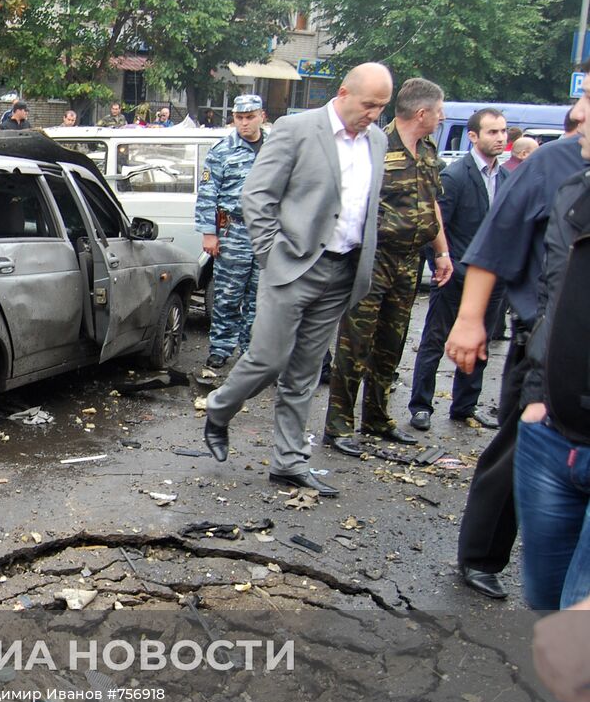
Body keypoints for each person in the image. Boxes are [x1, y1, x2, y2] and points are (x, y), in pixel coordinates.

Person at [203, 63, 394, 497]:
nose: (374, 115)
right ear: (343, 92)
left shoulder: (377, 140)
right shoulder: (297, 128)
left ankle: (289, 462)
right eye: (369, 105)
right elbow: (257, 194)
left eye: (382, 107)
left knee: (306, 371)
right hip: (292, 265)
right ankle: (219, 408)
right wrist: (272, 253)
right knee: (268, 359)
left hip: (344, 270)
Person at [444, 76, 590, 600]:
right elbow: (496, 241)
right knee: (519, 447)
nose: (576, 111)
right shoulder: (555, 165)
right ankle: (481, 554)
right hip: (548, 352)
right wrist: (470, 319)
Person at [506, 100, 590, 702]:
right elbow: (559, 299)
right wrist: (536, 393)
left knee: (579, 630)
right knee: (548, 600)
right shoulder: (570, 188)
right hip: (554, 433)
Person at [323, 77, 454, 456]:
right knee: (355, 342)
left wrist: (441, 252)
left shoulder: (428, 151)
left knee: (391, 344)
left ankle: (377, 418)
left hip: (410, 261)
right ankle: (339, 425)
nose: (442, 118)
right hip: (373, 259)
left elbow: (432, 206)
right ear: (422, 113)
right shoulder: (376, 145)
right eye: (440, 111)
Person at [407, 108, 508, 432]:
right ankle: (421, 406)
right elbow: (434, 226)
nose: (501, 138)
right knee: (435, 341)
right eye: (492, 132)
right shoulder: (456, 176)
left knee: (480, 343)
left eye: (503, 131)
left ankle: (465, 405)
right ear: (474, 136)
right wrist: (443, 262)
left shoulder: (505, 178)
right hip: (455, 276)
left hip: (492, 281)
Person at [195, 94, 266, 369]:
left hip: (266, 233)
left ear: (262, 116)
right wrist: (208, 233)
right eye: (239, 118)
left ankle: (252, 351)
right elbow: (207, 193)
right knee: (226, 295)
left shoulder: (275, 147)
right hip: (233, 230)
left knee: (259, 297)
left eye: (250, 117)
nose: (245, 123)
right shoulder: (222, 150)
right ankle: (221, 348)